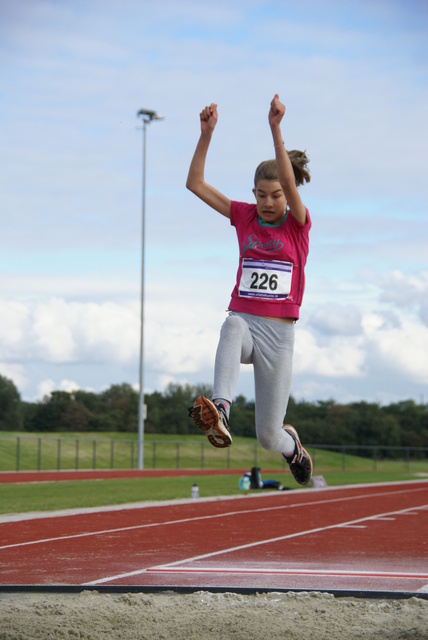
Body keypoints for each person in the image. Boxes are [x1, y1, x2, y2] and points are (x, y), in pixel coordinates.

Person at [186, 94, 312, 485]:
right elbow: (195, 184)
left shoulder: (297, 224)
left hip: (279, 336)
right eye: (261, 195)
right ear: (253, 193)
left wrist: (275, 129)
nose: (268, 202)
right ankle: (220, 409)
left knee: (267, 437)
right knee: (231, 326)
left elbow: (289, 182)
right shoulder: (244, 216)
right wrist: (206, 135)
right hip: (246, 322)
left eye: (276, 195)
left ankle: (292, 446)